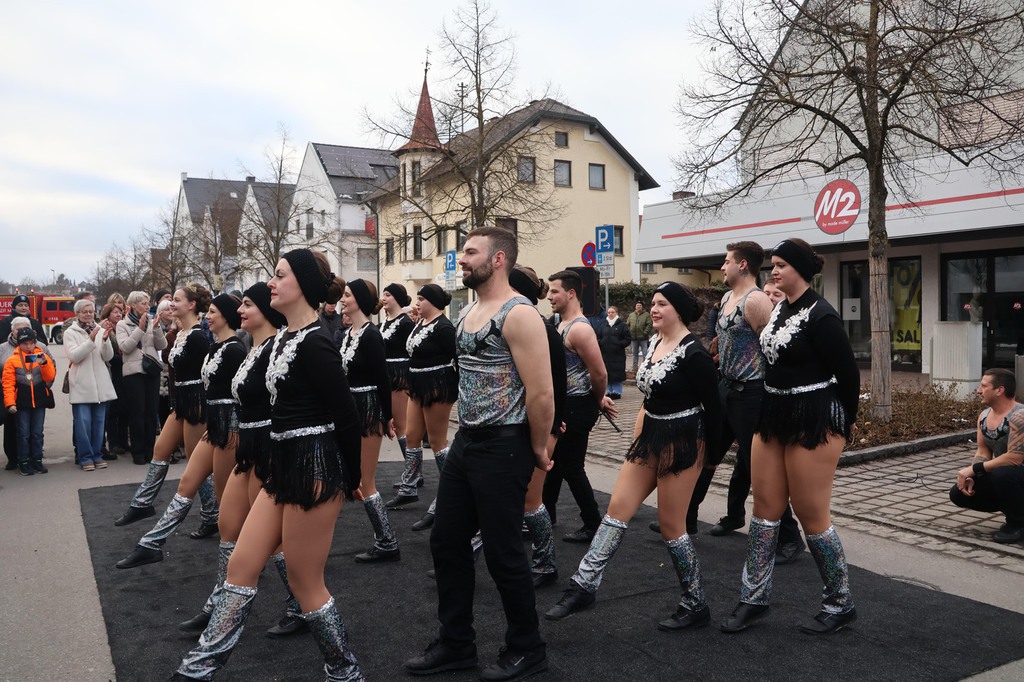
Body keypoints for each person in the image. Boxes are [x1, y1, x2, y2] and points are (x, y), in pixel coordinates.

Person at [172, 248, 364, 681]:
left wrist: (350, 477)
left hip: (315, 470)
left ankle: (345, 672)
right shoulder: (281, 340)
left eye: (280, 275)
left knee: (305, 582)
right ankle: (198, 669)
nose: (271, 283)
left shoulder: (317, 343)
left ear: (304, 285)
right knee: (241, 565)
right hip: (281, 468)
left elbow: (347, 416)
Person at [405, 226, 553, 680]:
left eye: (471, 251)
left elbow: (541, 393)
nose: (462, 258)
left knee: (504, 553)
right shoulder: (469, 310)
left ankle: (527, 648)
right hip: (468, 441)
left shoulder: (520, 314)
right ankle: (457, 643)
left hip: (505, 444)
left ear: (499, 259)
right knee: (446, 541)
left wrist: (537, 447)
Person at [545, 282, 721, 632]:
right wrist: (637, 438)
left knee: (672, 527)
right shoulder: (655, 342)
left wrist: (709, 459)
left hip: (683, 443)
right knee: (616, 511)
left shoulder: (694, 354)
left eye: (662, 304)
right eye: (653, 302)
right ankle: (583, 585)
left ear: (679, 310)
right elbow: (648, 399)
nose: (654, 309)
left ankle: (695, 601)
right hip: (649, 439)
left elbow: (716, 410)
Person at [720, 238, 860, 636]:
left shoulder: (822, 315)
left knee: (811, 515)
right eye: (773, 264)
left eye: (781, 265)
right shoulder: (779, 307)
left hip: (813, 420)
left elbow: (848, 375)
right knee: (764, 510)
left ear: (801, 269)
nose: (774, 271)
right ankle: (753, 598)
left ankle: (840, 602)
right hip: (773, 414)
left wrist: (845, 422)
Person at [177, 283, 303, 638]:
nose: (240, 310)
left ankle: (300, 604)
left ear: (264, 310)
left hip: (266, 450)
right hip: (247, 449)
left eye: (247, 304)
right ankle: (218, 603)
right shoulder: (253, 348)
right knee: (228, 526)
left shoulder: (275, 349)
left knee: (271, 540)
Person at [686, 241, 805, 564]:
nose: (722, 266)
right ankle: (686, 518)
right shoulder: (727, 298)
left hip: (751, 393)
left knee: (759, 468)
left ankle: (791, 538)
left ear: (742, 265)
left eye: (727, 261)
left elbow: (774, 350)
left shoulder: (756, 301)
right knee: (707, 453)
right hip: (725, 389)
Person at [116, 293, 246, 569]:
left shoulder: (216, 343)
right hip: (195, 408)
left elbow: (236, 393)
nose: (208, 317)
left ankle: (243, 559)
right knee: (178, 468)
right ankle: (150, 536)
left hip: (215, 417)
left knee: (225, 499)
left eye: (213, 312)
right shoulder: (206, 342)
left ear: (192, 305)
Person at [114, 284, 212, 526]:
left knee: (196, 463)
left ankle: (211, 514)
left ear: (191, 305)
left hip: (195, 403)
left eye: (176, 300)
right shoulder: (180, 333)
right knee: (160, 450)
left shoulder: (198, 336)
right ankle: (142, 504)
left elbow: (208, 373)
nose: (171, 304)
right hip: (181, 402)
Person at [544, 270, 616, 544]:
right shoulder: (561, 323)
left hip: (577, 405)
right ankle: (545, 515)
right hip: (565, 404)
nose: (550, 296)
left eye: (555, 291)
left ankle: (593, 523)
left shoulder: (580, 329)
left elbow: (599, 373)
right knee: (555, 465)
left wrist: (598, 399)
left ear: (571, 293)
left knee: (571, 467)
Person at [511, 264, 567, 589]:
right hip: (519, 426)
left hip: (542, 427)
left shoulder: (544, 330)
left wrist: (553, 427)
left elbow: (555, 387)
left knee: (531, 500)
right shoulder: (521, 324)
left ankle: (546, 564)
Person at [339, 278, 401, 562]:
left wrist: (387, 417)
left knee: (366, 481)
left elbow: (382, 380)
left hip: (367, 410)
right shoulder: (349, 333)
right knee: (352, 478)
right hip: (350, 409)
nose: (343, 299)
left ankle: (387, 540)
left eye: (347, 295)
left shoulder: (371, 335)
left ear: (360, 300)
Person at [385, 284, 458, 516]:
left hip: (436, 386)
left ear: (433, 301)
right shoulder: (420, 323)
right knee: (412, 436)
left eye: (421, 299)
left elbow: (457, 358)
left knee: (437, 442)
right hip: (416, 385)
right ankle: (409, 486)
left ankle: (452, 489)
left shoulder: (444, 327)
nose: (417, 303)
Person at [950, 368, 1024, 543]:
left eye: (984, 386)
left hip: (1015, 474)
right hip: (1010, 479)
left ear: (1000, 390)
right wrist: (974, 476)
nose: (978, 390)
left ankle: (1017, 524)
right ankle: (1015, 509)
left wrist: (974, 468)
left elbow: (1015, 458)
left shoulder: (1019, 416)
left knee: (1002, 474)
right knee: (958, 493)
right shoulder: (984, 416)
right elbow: (983, 451)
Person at [65, 298, 117, 471]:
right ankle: (85, 456)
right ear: (77, 314)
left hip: (101, 384)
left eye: (91, 311)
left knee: (99, 423)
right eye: (84, 312)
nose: (88, 314)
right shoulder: (70, 332)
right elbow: (74, 356)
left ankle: (97, 454)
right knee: (83, 424)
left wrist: (105, 340)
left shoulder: (100, 329)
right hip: (82, 384)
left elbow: (108, 357)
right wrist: (90, 340)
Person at [117, 291, 168, 465]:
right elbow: (125, 347)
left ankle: (149, 451)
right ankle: (138, 452)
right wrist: (139, 329)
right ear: (133, 305)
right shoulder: (123, 324)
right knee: (137, 413)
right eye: (144, 303)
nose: (147, 306)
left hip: (151, 371)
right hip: (134, 373)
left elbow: (162, 345)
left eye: (148, 303)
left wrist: (157, 329)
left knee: (151, 413)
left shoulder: (151, 322)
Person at [380, 283, 416, 502]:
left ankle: (412, 475)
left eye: (388, 295)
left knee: (402, 425)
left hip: (399, 375)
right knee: (396, 424)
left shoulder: (405, 323)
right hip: (387, 374)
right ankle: (411, 473)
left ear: (398, 298)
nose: (384, 298)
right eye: (384, 294)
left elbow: (413, 350)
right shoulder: (385, 322)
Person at [3, 327, 56, 476]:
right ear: (19, 344)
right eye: (25, 343)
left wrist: (44, 363)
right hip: (21, 403)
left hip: (39, 401)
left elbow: (50, 377)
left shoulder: (41, 356)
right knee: (23, 433)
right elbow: (8, 383)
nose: (28, 346)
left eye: (31, 343)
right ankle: (23, 461)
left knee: (37, 433)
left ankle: (37, 459)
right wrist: (10, 403)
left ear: (35, 342)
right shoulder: (12, 360)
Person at [101, 301, 129, 458]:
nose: (119, 315)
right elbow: (109, 356)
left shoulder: (123, 328)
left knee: (125, 408)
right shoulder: (106, 330)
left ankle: (123, 441)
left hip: (125, 372)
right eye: (115, 312)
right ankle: (113, 442)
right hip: (113, 372)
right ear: (108, 315)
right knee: (113, 410)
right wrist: (124, 357)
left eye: (120, 312)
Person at [596, 306, 629, 399]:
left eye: (612, 312)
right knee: (607, 372)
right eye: (609, 312)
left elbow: (627, 339)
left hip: (618, 355)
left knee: (617, 373)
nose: (610, 314)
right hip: (605, 355)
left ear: (616, 313)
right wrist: (601, 343)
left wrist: (619, 344)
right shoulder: (603, 325)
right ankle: (608, 391)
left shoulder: (622, 325)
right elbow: (598, 337)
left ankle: (617, 392)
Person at [627, 301, 653, 373]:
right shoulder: (631, 315)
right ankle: (634, 368)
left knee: (645, 353)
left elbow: (649, 324)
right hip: (634, 338)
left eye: (640, 305)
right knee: (634, 353)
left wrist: (645, 333)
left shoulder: (646, 315)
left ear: (642, 307)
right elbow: (627, 324)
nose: (638, 306)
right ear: (635, 307)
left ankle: (645, 367)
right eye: (637, 305)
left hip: (643, 338)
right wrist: (629, 332)